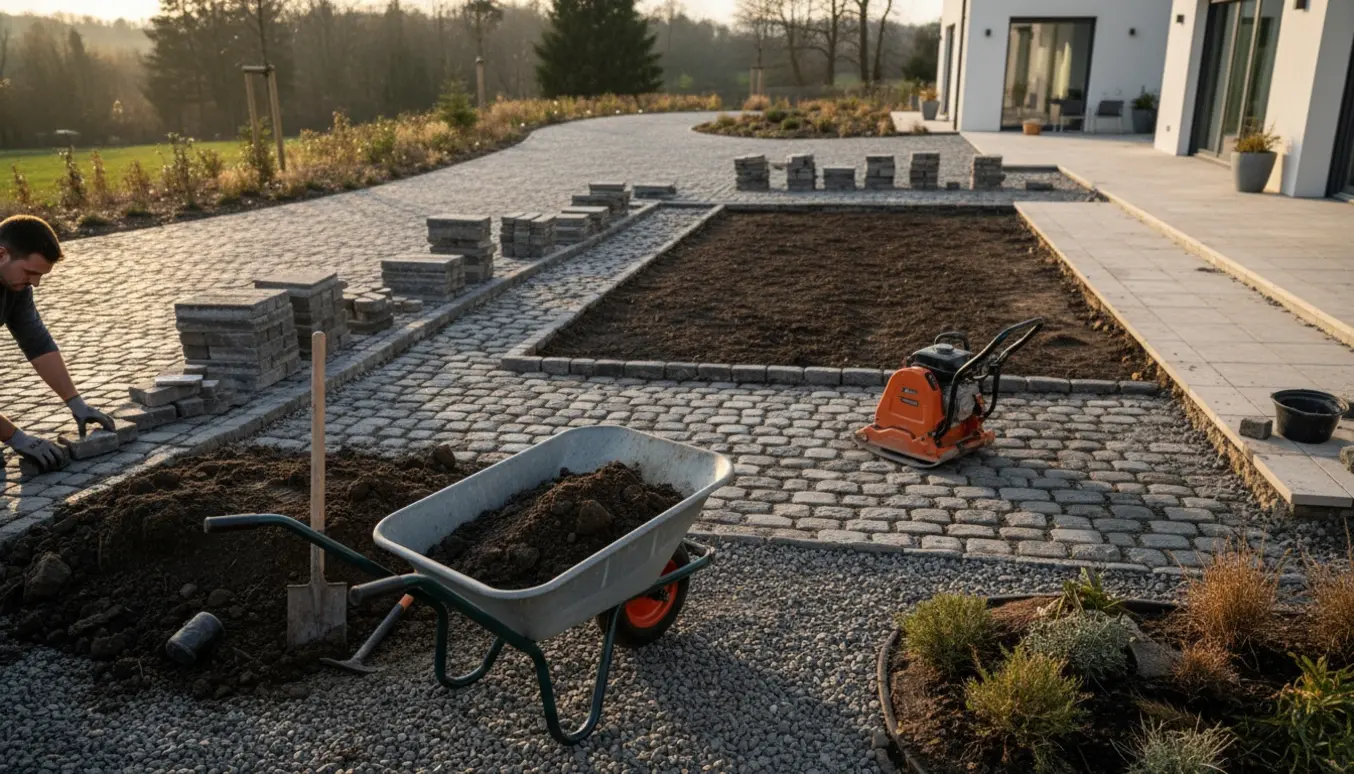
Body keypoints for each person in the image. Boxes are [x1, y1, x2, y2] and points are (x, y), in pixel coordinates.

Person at [0, 214, 114, 473]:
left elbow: (37, 342)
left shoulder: (16, 286)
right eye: (30, 272)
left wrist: (76, 404)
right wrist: (17, 438)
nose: (35, 283)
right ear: (1, 254)